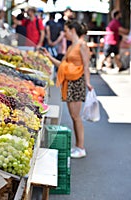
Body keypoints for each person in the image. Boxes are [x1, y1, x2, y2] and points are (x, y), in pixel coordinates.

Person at [43, 20, 93, 159]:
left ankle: (81, 147)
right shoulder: (72, 46)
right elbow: (62, 64)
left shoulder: (82, 45)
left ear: (72, 30)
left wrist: (88, 83)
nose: (64, 34)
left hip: (77, 82)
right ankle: (78, 146)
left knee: (76, 117)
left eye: (66, 31)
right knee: (73, 116)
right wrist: (49, 57)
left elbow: (86, 66)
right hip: (70, 83)